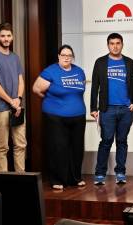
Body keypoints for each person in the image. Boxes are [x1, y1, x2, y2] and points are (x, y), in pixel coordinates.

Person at [33, 45, 86, 190]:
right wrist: (53, 101)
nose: (66, 57)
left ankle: (75, 178)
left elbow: (79, 91)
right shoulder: (50, 71)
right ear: (58, 56)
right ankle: (57, 179)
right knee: (58, 148)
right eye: (63, 55)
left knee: (76, 148)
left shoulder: (79, 72)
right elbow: (36, 89)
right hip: (55, 117)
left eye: (69, 55)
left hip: (78, 116)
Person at [90, 33, 133, 185]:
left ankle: (120, 173)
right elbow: (94, 87)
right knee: (106, 141)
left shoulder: (130, 63)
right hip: (107, 109)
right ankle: (100, 174)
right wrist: (93, 107)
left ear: (122, 44)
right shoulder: (100, 62)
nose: (115, 46)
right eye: (112, 43)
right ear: (108, 45)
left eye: (118, 43)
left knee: (122, 141)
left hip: (125, 109)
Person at [0, 22, 27, 172]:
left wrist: (18, 99)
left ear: (12, 37)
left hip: (17, 107)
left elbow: (21, 81)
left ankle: (21, 180)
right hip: (0, 108)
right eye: (3, 36)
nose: (6, 38)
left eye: (8, 35)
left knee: (20, 145)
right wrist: (12, 102)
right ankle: (3, 183)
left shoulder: (15, 58)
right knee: (2, 147)